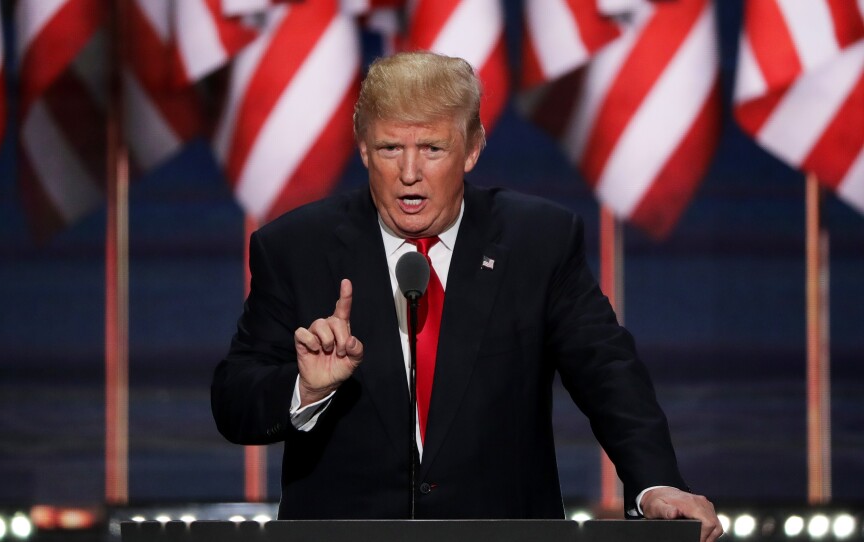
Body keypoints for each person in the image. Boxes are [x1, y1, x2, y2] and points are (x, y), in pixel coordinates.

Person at [211, 51, 722, 542]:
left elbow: (607, 370)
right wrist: (306, 389)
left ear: (472, 149)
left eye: (432, 148)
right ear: (364, 148)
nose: (409, 172)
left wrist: (656, 482)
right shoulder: (295, 248)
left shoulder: (536, 242)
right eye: (390, 148)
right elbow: (235, 401)